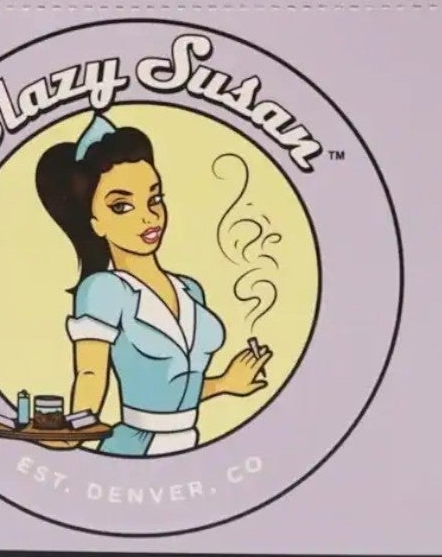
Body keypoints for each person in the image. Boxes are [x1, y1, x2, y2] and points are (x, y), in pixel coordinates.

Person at [35, 113, 272, 456]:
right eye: (122, 206)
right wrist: (72, 432)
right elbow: (90, 374)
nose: (148, 216)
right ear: (95, 222)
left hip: (189, 443)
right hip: (135, 447)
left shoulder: (190, 290)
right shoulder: (103, 290)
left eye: (155, 198)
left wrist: (225, 383)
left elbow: (172, 388)